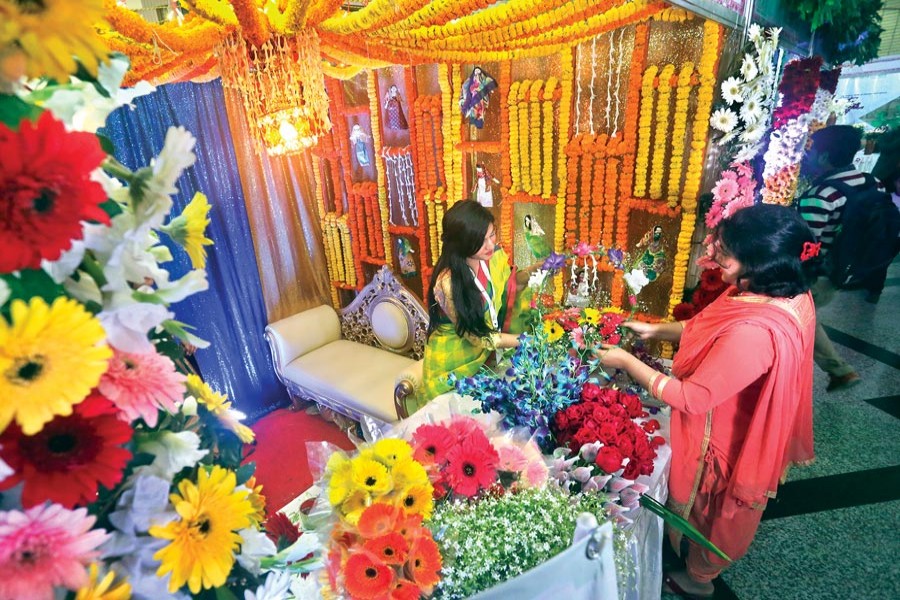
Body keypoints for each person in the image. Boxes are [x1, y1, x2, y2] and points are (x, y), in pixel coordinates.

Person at [594, 204, 817, 598]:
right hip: (725, 408)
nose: (711, 253)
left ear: (759, 265)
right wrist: (655, 330)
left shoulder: (755, 332)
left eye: (724, 252)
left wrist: (625, 361)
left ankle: (698, 580)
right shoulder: (773, 288)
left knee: (714, 512)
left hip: (723, 435)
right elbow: (708, 328)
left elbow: (691, 398)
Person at [421, 201, 536, 402]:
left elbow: (507, 288)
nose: (490, 245)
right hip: (454, 364)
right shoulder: (447, 283)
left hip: (487, 357)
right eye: (481, 241)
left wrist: (537, 269)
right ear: (462, 243)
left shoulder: (491, 257)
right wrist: (526, 341)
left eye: (492, 235)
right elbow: (479, 338)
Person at [797, 125, 868, 391]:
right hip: (847, 269)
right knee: (806, 316)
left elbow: (804, 245)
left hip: (819, 275)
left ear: (825, 156)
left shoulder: (821, 195)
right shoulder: (867, 181)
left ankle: (839, 370)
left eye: (812, 150)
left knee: (796, 313)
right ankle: (840, 371)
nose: (809, 156)